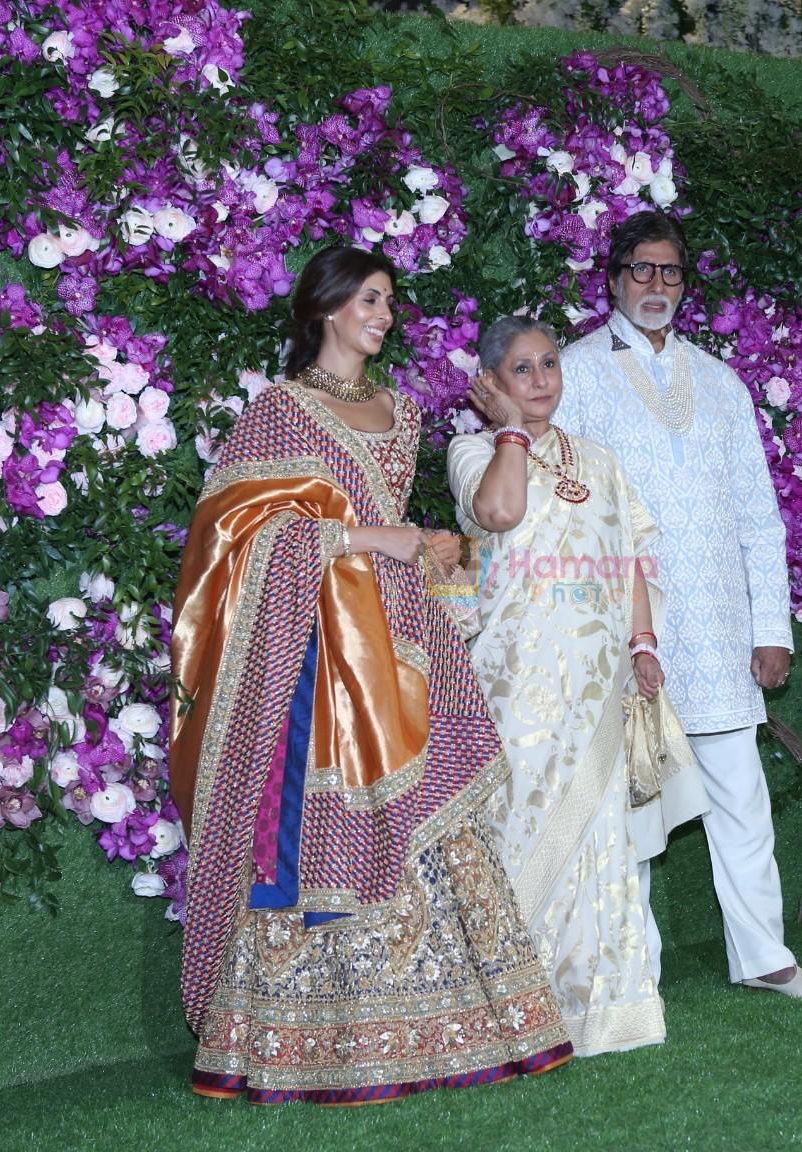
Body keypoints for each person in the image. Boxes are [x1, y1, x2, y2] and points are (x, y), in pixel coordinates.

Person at [169, 247, 571, 1105]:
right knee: (316, 823)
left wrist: (428, 545)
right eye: (369, 299)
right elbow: (233, 541)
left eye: (390, 300)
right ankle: (298, 1039)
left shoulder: (404, 410)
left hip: (400, 638)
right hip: (314, 656)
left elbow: (395, 524)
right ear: (325, 307)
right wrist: (363, 542)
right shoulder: (278, 412)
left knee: (428, 806)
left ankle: (450, 1025)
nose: (383, 315)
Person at [555, 211, 802, 1000]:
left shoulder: (721, 382)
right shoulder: (572, 374)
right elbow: (567, 511)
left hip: (717, 632)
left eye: (670, 273)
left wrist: (770, 629)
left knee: (742, 799)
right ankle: (631, 974)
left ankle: (767, 957)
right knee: (631, 809)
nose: (656, 286)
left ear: (685, 284)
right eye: (642, 270)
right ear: (613, 278)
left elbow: (758, 514)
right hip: (628, 629)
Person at [448, 315, 709, 1055]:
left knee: (602, 841)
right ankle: (517, 1013)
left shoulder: (597, 461)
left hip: (597, 678)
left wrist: (644, 641)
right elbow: (498, 513)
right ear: (491, 384)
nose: (540, 382)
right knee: (518, 830)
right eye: (521, 370)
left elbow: (628, 556)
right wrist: (508, 432)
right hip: (515, 680)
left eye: (549, 365)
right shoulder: (473, 451)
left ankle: (607, 1014)